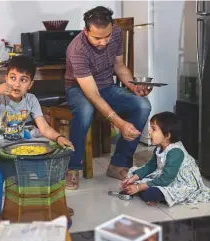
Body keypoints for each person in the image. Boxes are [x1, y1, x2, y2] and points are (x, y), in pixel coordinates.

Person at [0, 55, 74, 231]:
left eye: (23, 80)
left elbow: (44, 128)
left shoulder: (31, 100)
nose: (17, 84)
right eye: (13, 78)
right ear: (6, 78)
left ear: (30, 84)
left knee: (46, 149)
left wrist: (58, 137)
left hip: (15, 144)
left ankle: (47, 202)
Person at [65, 6, 152, 187]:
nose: (104, 42)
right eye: (97, 38)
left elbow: (119, 66)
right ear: (86, 31)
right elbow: (93, 95)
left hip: (107, 86)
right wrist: (120, 123)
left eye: (107, 36)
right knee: (85, 110)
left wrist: (133, 86)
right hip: (79, 89)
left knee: (142, 105)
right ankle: (72, 168)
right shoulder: (76, 49)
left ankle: (118, 164)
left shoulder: (117, 33)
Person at [121, 112, 210, 207]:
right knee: (133, 175)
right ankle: (148, 193)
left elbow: (166, 179)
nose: (149, 132)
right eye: (150, 128)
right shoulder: (159, 147)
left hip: (180, 183)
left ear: (167, 136)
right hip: (166, 177)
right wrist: (133, 178)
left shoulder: (175, 151)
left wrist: (139, 187)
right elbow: (150, 166)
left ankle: (157, 196)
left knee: (149, 193)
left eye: (153, 129)